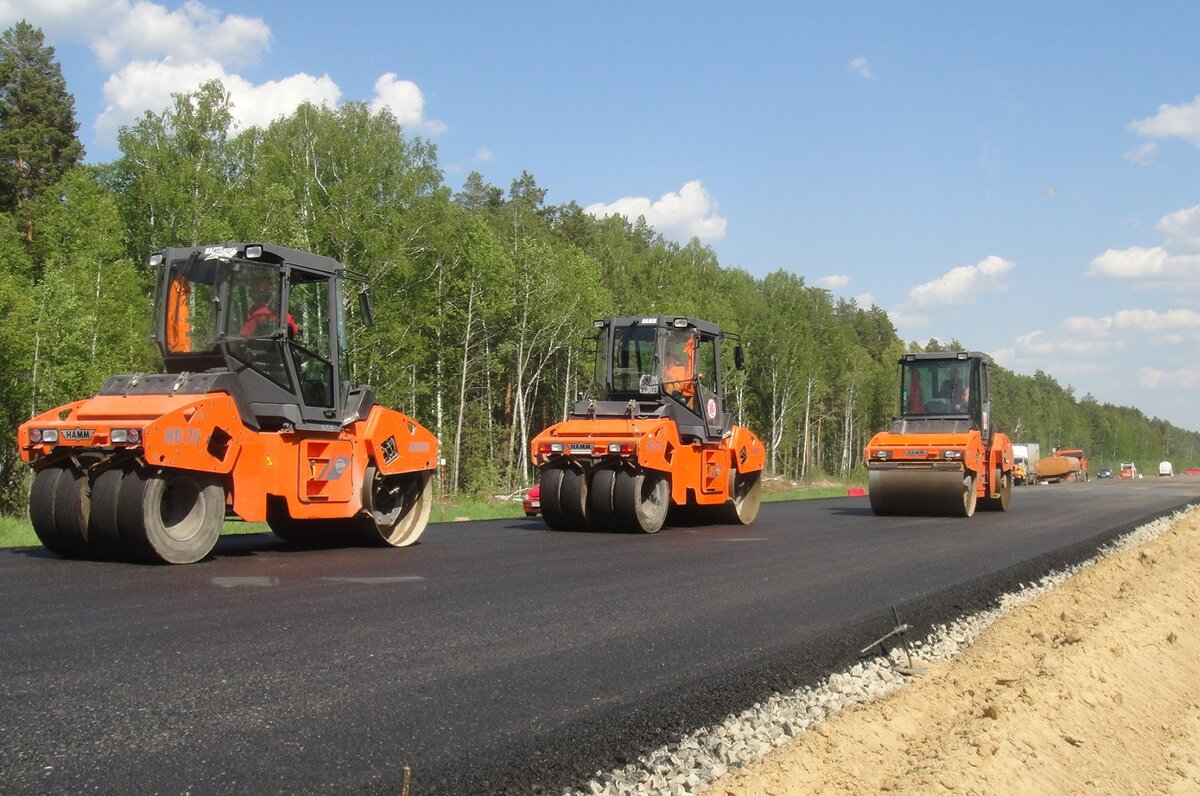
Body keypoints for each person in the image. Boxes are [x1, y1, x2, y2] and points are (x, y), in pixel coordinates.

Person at [663, 335, 696, 409]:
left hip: (678, 396)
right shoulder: (662, 364)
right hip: (671, 397)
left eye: (667, 342)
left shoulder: (675, 360)